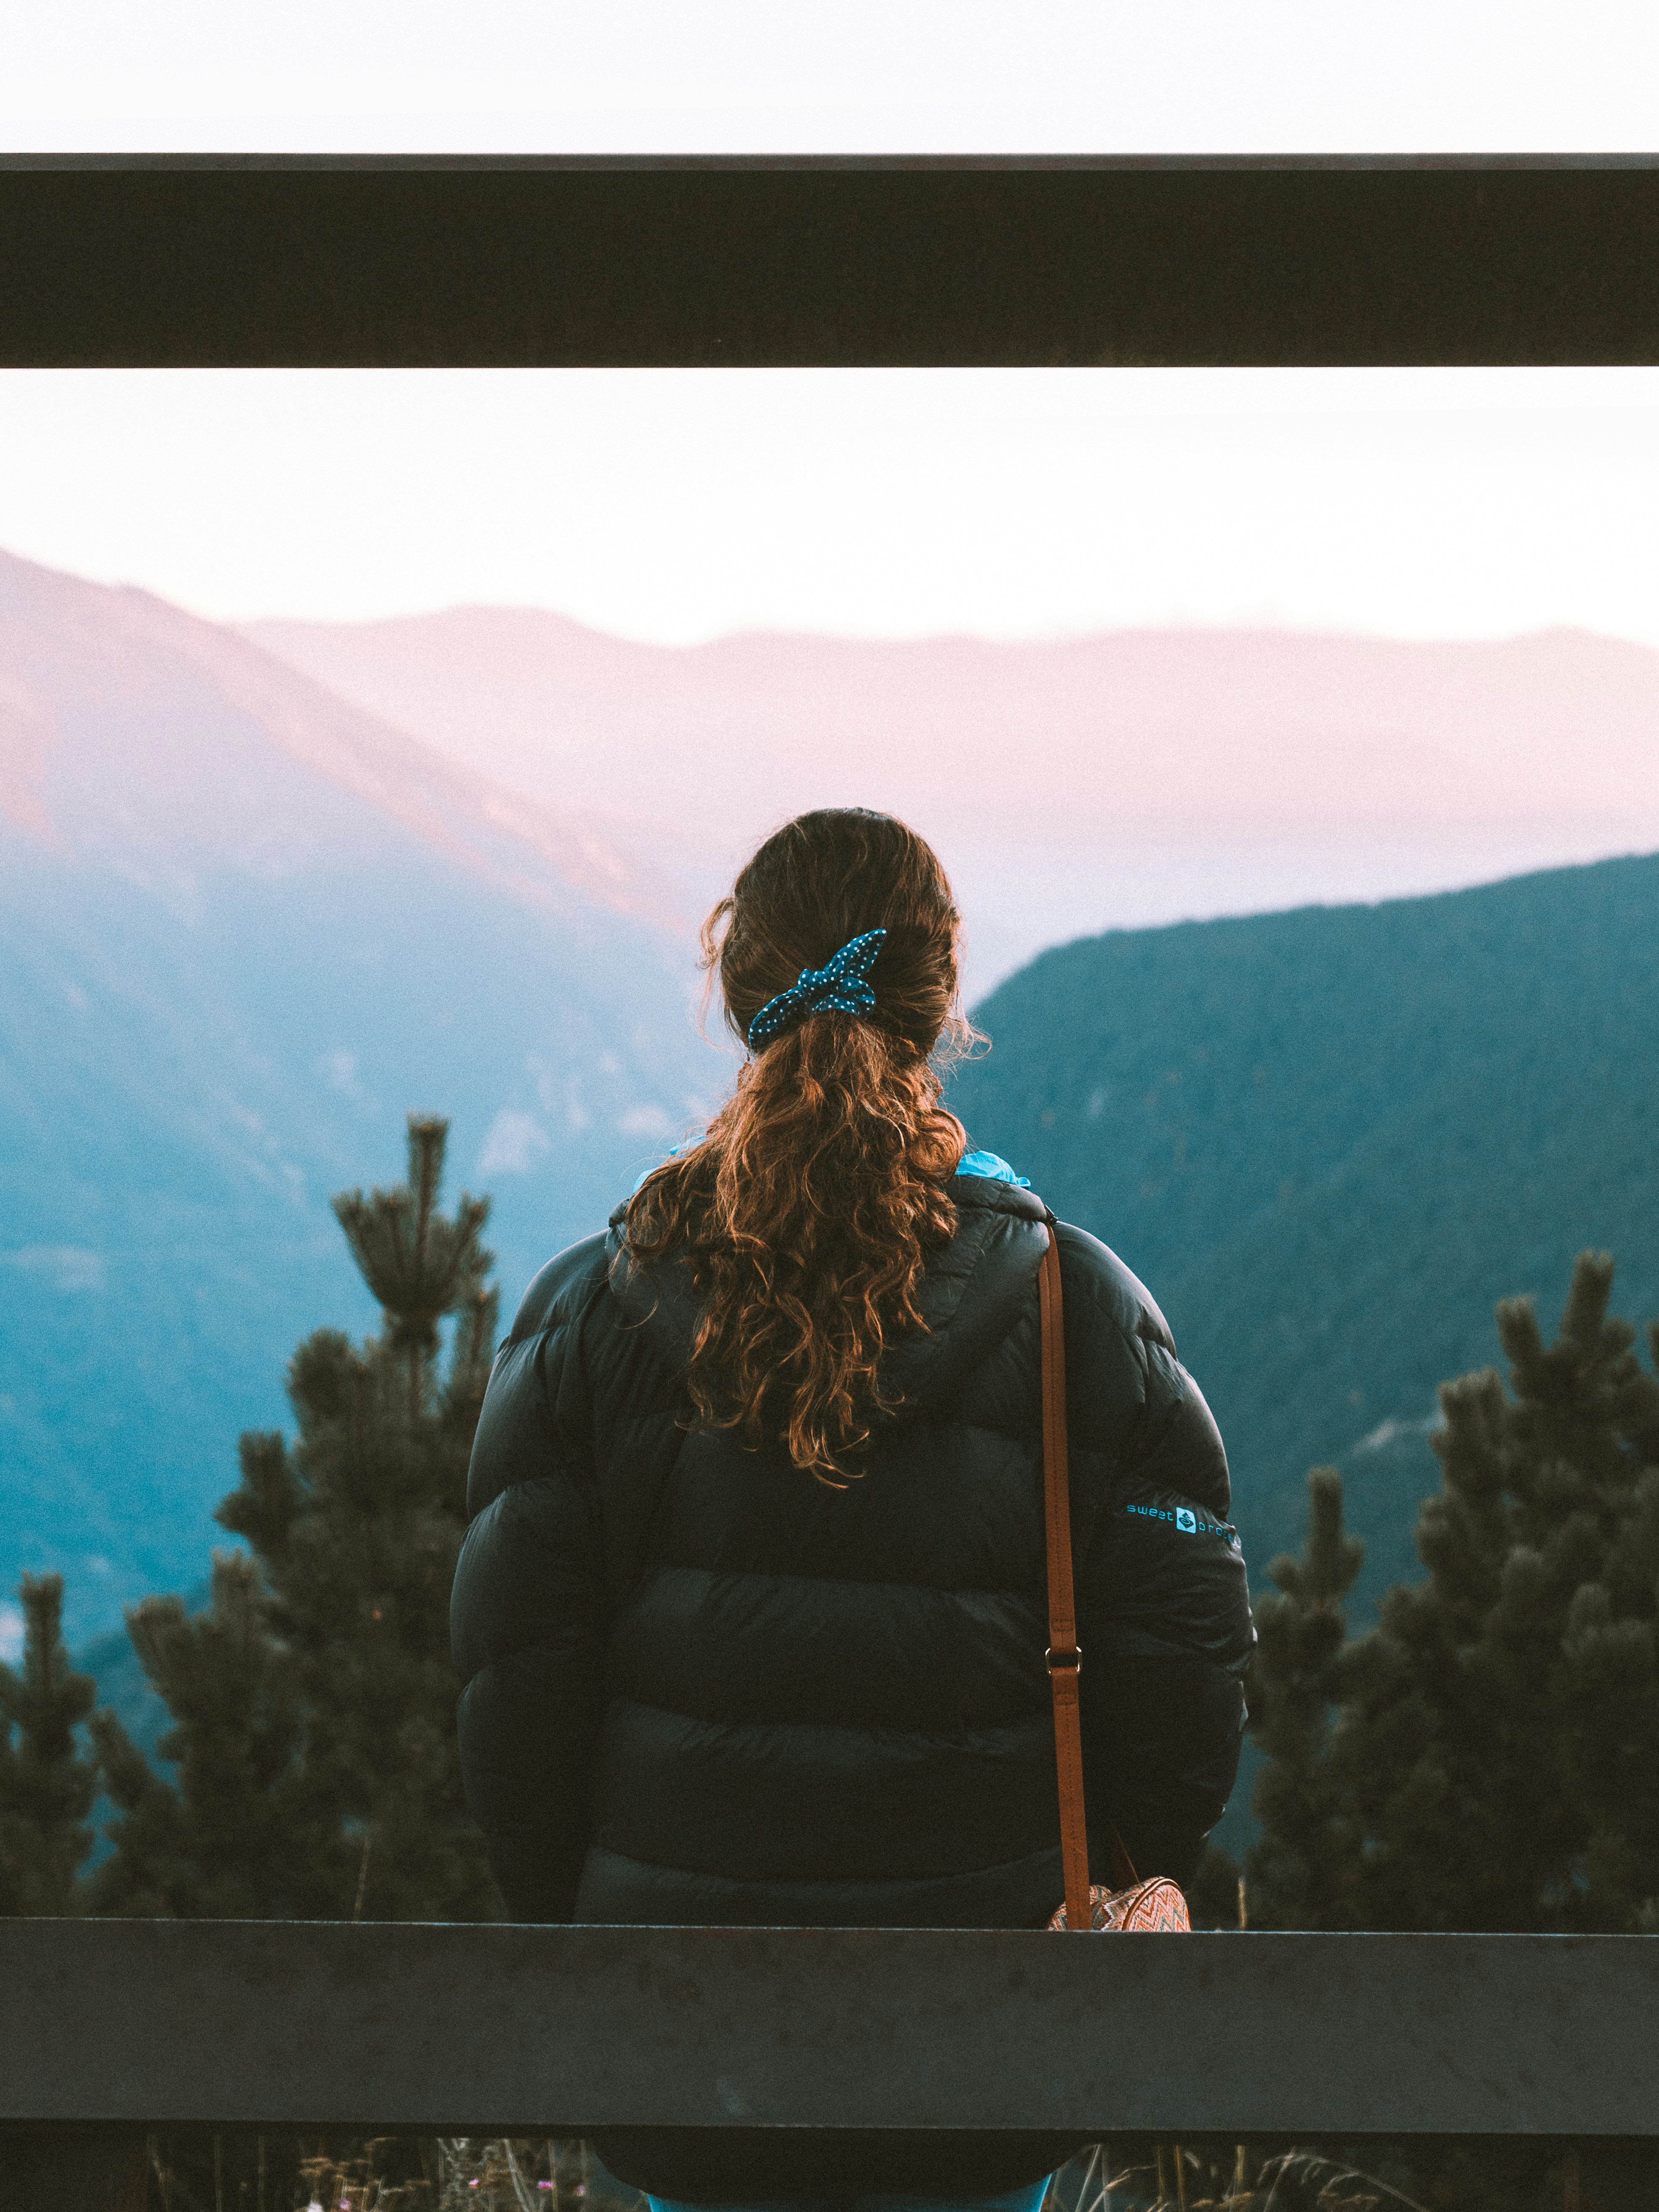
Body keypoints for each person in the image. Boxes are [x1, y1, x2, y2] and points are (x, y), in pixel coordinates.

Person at [452, 808, 1254, 2212]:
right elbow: (1187, 1674)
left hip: (678, 2045)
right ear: (941, 1002)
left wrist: (588, 1939)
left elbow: (515, 1702)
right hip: (995, 2047)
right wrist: (1136, 1874)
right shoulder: (1077, 1309)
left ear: (743, 995)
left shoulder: (590, 1311)